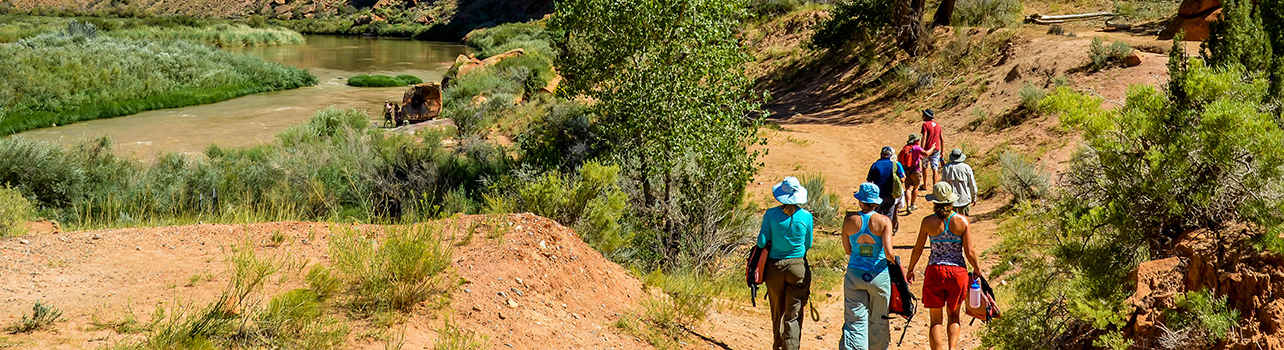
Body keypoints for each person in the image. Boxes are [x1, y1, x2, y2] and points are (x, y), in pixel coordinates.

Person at [905, 182, 982, 350]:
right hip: (958, 272)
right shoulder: (962, 221)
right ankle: (952, 348)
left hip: (935, 270)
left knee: (935, 319)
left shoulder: (927, 222)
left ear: (935, 201)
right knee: (954, 316)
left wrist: (910, 269)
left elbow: (918, 248)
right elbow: (969, 251)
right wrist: (977, 269)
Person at [757, 177, 815, 350]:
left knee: (777, 311)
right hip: (798, 267)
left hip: (774, 268)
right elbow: (808, 244)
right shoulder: (806, 216)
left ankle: (777, 345)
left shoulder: (770, 214)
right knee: (794, 314)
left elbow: (761, 242)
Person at [840, 183, 896, 350]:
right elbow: (888, 253)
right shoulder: (884, 221)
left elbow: (848, 250)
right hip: (878, 274)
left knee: (855, 320)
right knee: (879, 319)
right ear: (876, 202)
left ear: (860, 201)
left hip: (855, 274)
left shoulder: (849, 220)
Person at [866, 146, 905, 234]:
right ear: (890, 155)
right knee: (888, 217)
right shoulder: (894, 165)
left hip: (878, 196)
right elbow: (902, 179)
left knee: (875, 215)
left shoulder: (875, 164)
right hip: (890, 195)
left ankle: (875, 233)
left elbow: (869, 181)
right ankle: (887, 234)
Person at [940, 148, 979, 216]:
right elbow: (972, 184)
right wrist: (974, 197)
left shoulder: (946, 168)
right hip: (964, 199)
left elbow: (944, 185)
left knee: (952, 222)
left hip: (951, 201)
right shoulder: (967, 168)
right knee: (964, 221)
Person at [898, 134, 929, 214]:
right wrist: (932, 148)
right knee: (915, 187)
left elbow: (899, 157)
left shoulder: (906, 148)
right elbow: (926, 153)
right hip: (915, 170)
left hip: (906, 170)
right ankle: (912, 205)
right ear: (915, 141)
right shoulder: (916, 147)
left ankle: (908, 206)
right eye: (918, 140)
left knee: (908, 188)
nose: (919, 141)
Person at [920, 109, 944, 191]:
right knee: (935, 168)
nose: (922, 116)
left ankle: (925, 185)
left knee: (924, 167)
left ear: (927, 117)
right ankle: (935, 188)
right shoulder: (938, 125)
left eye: (924, 115)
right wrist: (942, 151)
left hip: (927, 149)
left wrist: (921, 150)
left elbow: (924, 138)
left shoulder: (925, 125)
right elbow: (942, 139)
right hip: (936, 149)